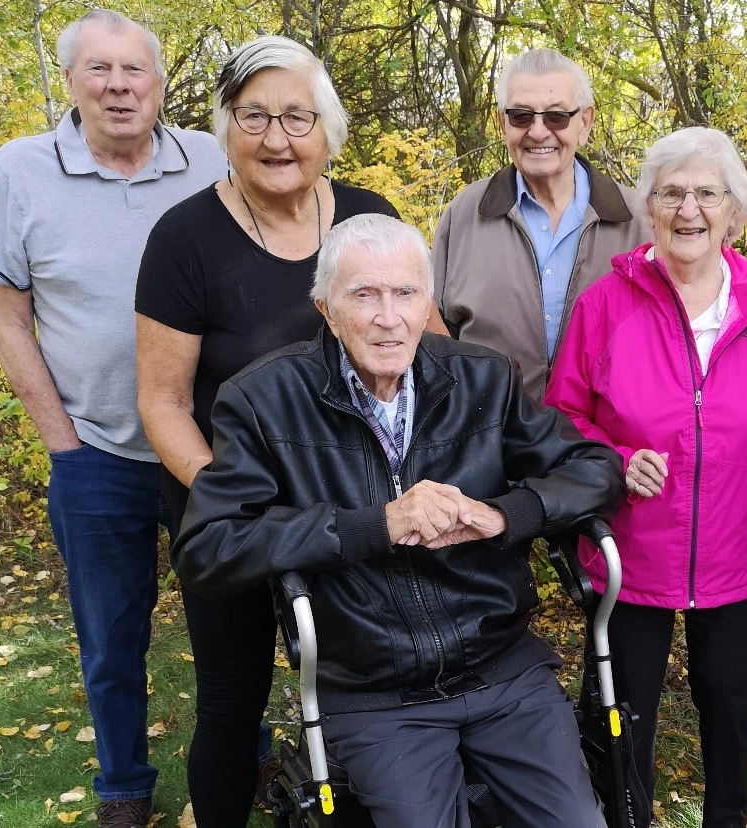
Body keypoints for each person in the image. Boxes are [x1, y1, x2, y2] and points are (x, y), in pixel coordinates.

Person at [172, 213, 623, 827]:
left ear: (427, 300)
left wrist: (507, 514)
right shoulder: (263, 400)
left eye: (406, 293)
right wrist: (373, 525)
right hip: (374, 690)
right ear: (326, 308)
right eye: (364, 295)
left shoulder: (482, 377)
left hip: (501, 668)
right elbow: (208, 549)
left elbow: (596, 468)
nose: (390, 318)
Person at [134, 34, 445, 827]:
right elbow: (163, 402)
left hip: (361, 508)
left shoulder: (371, 215)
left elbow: (432, 354)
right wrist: (231, 504)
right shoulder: (184, 238)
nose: (277, 138)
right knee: (232, 700)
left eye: (297, 117)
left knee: (373, 682)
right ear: (225, 128)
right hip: (232, 509)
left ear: (328, 131)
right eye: (255, 116)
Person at [0, 9, 227, 828]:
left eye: (133, 70)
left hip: (207, 449)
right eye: (99, 70)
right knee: (112, 642)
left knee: (232, 622)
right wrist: (62, 441)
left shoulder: (212, 159)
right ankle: (124, 787)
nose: (118, 86)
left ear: (158, 80)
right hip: (99, 458)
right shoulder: (22, 170)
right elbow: (9, 317)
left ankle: (246, 753)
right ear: (73, 82)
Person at [545, 127, 747, 827]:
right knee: (622, 712)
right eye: (671, 193)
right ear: (649, 209)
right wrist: (613, 457)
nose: (689, 209)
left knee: (730, 704)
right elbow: (561, 416)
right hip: (629, 554)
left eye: (707, 193)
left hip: (733, 553)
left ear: (734, 212)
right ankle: (625, 819)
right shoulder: (605, 305)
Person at [433, 48, 646, 400]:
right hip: (489, 439)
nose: (538, 131)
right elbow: (433, 332)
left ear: (585, 122)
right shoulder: (465, 213)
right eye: (521, 116)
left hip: (603, 445)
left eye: (556, 117)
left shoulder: (637, 219)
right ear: (502, 123)